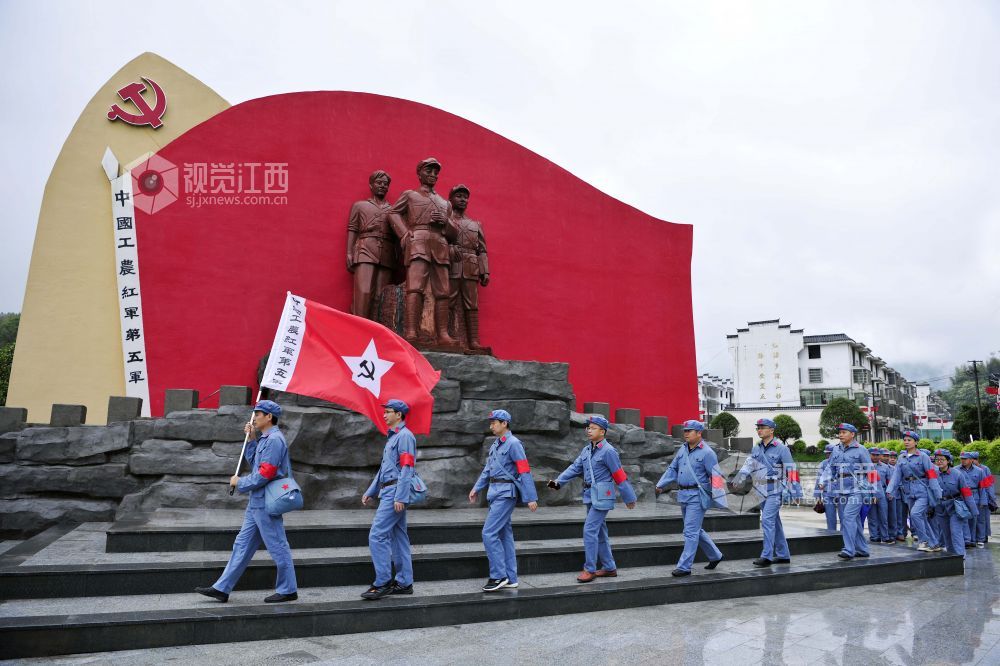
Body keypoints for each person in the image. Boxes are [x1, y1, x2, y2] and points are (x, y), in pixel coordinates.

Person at [195, 400, 298, 603]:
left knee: (277, 545)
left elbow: (265, 474)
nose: (254, 417)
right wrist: (251, 440)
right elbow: (256, 463)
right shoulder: (265, 438)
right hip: (257, 502)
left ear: (269, 417)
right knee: (241, 545)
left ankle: (288, 589)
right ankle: (222, 588)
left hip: (267, 502)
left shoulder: (275, 440)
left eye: (258, 414)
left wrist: (239, 482)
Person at [547, 415, 637, 582]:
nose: (589, 430)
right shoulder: (587, 450)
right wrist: (558, 482)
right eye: (588, 427)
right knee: (600, 533)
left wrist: (629, 497)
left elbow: (619, 475)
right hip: (590, 496)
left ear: (602, 431)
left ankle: (590, 569)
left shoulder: (608, 451)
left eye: (593, 428)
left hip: (602, 497)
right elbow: (574, 468)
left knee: (589, 531)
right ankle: (609, 568)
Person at [386, 158, 457, 345]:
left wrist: (445, 221)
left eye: (435, 172)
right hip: (418, 242)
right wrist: (404, 234)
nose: (433, 175)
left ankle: (442, 334)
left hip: (440, 245)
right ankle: (411, 332)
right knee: (415, 288)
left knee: (443, 291)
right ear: (419, 174)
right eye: (429, 171)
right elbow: (393, 213)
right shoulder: (410, 195)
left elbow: (454, 233)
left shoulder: (445, 203)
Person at [469, 409, 538, 592]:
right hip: (495, 492)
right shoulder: (496, 445)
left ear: (504, 424)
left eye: (494, 422)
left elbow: (524, 470)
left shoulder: (514, 444)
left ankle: (498, 576)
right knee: (504, 535)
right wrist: (477, 487)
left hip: (506, 494)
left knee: (488, 533)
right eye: (491, 422)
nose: (491, 425)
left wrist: (531, 497)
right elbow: (487, 470)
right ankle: (511, 577)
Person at [360, 399, 417, 600]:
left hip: (394, 493)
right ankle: (404, 582)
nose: (384, 415)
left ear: (399, 415)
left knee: (377, 535)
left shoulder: (405, 437)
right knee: (398, 537)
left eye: (388, 412)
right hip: (388, 491)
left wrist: (401, 496)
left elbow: (407, 468)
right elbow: (385, 470)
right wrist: (372, 490)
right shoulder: (393, 437)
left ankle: (382, 581)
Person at [655, 420, 726, 577]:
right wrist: (661, 484)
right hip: (684, 495)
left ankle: (684, 566)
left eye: (690, 430)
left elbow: (716, 475)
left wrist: (719, 497)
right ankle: (715, 555)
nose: (686, 433)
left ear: (699, 433)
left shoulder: (708, 453)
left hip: (697, 496)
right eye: (685, 430)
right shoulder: (682, 450)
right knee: (694, 530)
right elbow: (673, 468)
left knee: (690, 531)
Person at [733, 418, 802, 566]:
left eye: (763, 427)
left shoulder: (781, 448)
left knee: (767, 521)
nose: (759, 430)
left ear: (771, 430)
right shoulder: (757, 448)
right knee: (774, 523)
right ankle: (783, 555)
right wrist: (741, 475)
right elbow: (749, 463)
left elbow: (792, 469)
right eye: (758, 428)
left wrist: (796, 492)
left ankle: (767, 556)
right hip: (762, 489)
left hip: (776, 490)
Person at [346, 170, 396, 319]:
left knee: (381, 295)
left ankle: (376, 327)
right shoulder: (359, 206)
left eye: (385, 184)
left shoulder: (394, 210)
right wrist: (349, 253)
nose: (382, 186)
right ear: (371, 185)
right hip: (365, 249)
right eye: (378, 183)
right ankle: (359, 324)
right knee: (364, 291)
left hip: (387, 252)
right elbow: (353, 229)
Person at [446, 184, 489, 350]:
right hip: (452, 265)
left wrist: (484, 271)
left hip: (471, 268)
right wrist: (449, 248)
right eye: (459, 196)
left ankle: (474, 341)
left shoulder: (475, 224)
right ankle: (447, 337)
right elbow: (439, 241)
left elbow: (482, 250)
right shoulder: (447, 220)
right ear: (451, 199)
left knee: (472, 304)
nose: (463, 200)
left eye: (465, 197)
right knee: (448, 301)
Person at [825, 423, 875, 560]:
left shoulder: (861, 450)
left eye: (844, 432)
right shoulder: (836, 450)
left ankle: (848, 549)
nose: (840, 434)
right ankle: (863, 549)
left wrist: (873, 492)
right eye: (840, 432)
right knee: (854, 521)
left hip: (857, 489)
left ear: (852, 434)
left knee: (847, 518)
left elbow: (871, 471)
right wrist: (824, 482)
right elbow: (830, 469)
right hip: (841, 488)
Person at [886, 432, 942, 552]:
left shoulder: (923, 457)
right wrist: (890, 490)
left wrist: (937, 493)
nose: (906, 442)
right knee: (921, 517)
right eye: (905, 440)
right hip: (909, 492)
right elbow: (896, 476)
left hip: (923, 491)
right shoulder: (901, 458)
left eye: (909, 440)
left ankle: (924, 541)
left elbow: (931, 475)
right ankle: (934, 543)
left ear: (916, 442)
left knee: (915, 514)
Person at [931, 448, 978, 557]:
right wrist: (930, 507)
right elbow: (930, 492)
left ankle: (961, 556)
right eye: (937, 459)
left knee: (955, 532)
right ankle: (952, 557)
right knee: (946, 533)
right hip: (940, 507)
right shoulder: (933, 475)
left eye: (942, 459)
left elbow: (966, 492)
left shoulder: (957, 474)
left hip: (955, 507)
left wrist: (973, 510)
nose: (939, 462)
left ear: (948, 461)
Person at [956, 451, 984, 549]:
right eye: (961, 459)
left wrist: (983, 501)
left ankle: (972, 539)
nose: (963, 461)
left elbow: (982, 487)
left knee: (973, 519)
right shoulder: (956, 470)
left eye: (965, 459)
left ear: (971, 460)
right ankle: (965, 540)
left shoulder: (979, 471)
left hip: (974, 496)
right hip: (961, 496)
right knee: (962, 518)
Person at [971, 451, 996, 546]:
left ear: (976, 460)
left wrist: (991, 498)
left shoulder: (985, 469)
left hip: (984, 497)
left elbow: (990, 485)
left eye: (973, 460)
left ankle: (983, 537)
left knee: (983, 519)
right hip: (974, 497)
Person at [868, 447, 891, 545]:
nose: (876, 457)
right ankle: (874, 536)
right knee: (872, 516)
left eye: (877, 455)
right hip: (869, 493)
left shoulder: (885, 467)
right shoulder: (865, 466)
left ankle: (885, 536)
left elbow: (889, 481)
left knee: (883, 516)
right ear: (869, 455)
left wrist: (889, 493)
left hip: (881, 492)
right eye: (873, 455)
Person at [814, 443, 839, 531]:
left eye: (830, 453)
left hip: (841, 492)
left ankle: (844, 537)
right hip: (827, 493)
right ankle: (831, 535)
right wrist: (817, 497)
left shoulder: (841, 462)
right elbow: (818, 481)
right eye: (827, 453)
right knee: (830, 517)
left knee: (845, 517)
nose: (828, 455)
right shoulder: (823, 464)